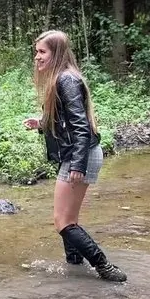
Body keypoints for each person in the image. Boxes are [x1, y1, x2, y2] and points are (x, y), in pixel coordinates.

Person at [23, 30, 127, 282]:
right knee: (69, 220)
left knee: (62, 221)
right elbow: (67, 120)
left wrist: (77, 165)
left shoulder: (66, 80)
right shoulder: (61, 78)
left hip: (80, 156)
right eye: (36, 51)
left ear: (56, 53)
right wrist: (42, 122)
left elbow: (81, 126)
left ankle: (105, 268)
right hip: (77, 154)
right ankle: (75, 267)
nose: (37, 57)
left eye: (42, 52)